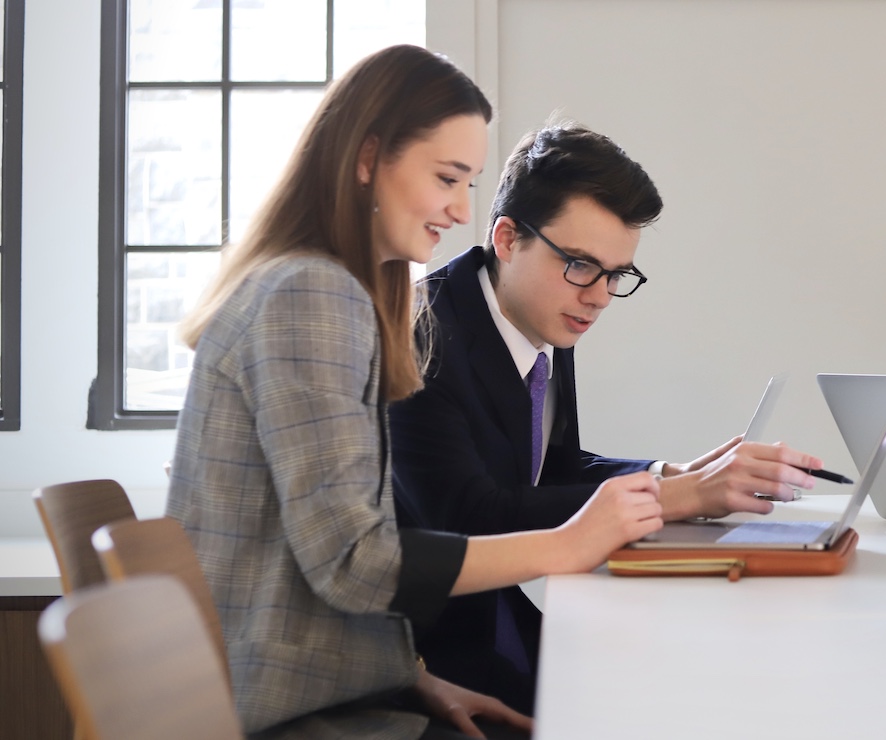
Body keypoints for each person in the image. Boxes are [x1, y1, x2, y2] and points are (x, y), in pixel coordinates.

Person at [166, 45, 663, 740]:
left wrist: (416, 678)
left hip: (339, 688)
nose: (462, 211)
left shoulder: (329, 289)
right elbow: (355, 564)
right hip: (290, 712)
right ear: (368, 159)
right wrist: (570, 543)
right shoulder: (310, 295)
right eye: (447, 178)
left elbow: (324, 557)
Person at [387, 122, 831, 712]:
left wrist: (669, 473)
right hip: (420, 649)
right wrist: (672, 499)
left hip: (496, 617)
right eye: (580, 264)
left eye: (616, 274)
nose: (598, 295)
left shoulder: (544, 314)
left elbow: (557, 466)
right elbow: (469, 515)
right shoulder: (422, 331)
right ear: (507, 238)